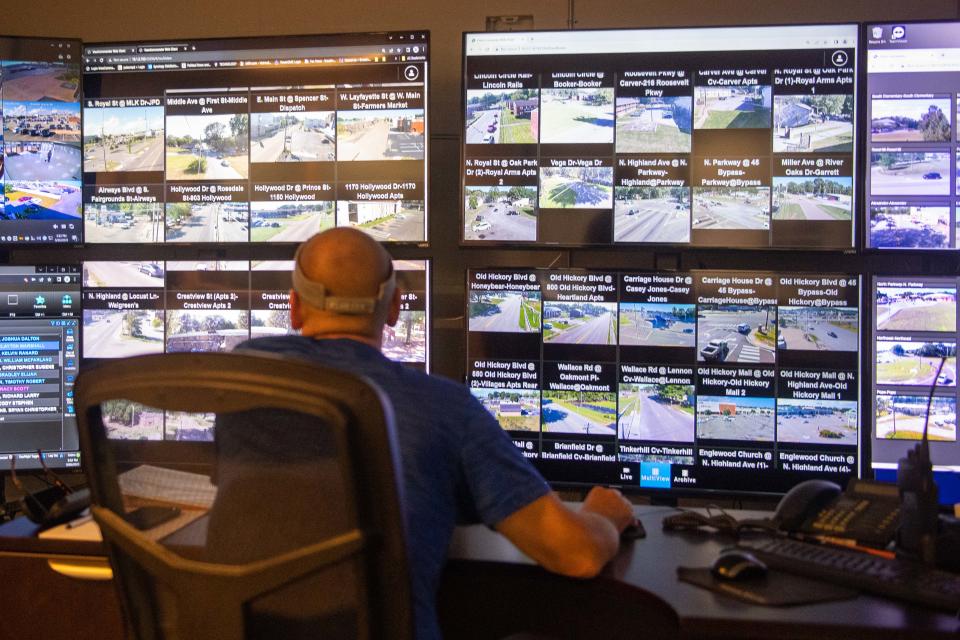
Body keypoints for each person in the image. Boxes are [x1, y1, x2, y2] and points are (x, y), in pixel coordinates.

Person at [236, 227, 634, 640]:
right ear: (394, 308)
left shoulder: (242, 375)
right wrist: (605, 516)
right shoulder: (446, 408)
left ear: (295, 307)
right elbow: (576, 555)